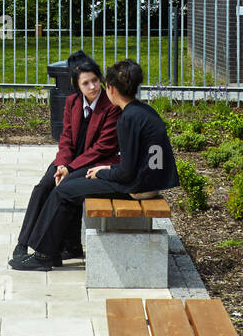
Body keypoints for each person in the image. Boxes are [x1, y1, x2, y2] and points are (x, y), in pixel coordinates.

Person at [10, 58, 178, 271]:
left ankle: (43, 256)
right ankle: (57, 248)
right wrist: (107, 169)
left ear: (110, 88)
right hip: (148, 181)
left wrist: (103, 173)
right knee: (64, 187)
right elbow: (132, 163)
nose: (93, 87)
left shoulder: (126, 118)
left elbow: (125, 174)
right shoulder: (143, 111)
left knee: (65, 190)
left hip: (138, 187)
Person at [10, 52, 118, 266]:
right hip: (69, 159)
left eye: (95, 80)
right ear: (77, 86)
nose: (92, 87)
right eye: (85, 83)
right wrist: (62, 164)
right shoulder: (73, 102)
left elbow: (101, 148)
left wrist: (69, 168)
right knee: (43, 186)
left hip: (95, 161)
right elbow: (66, 137)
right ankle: (23, 244)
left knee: (64, 187)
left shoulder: (111, 106)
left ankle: (59, 249)